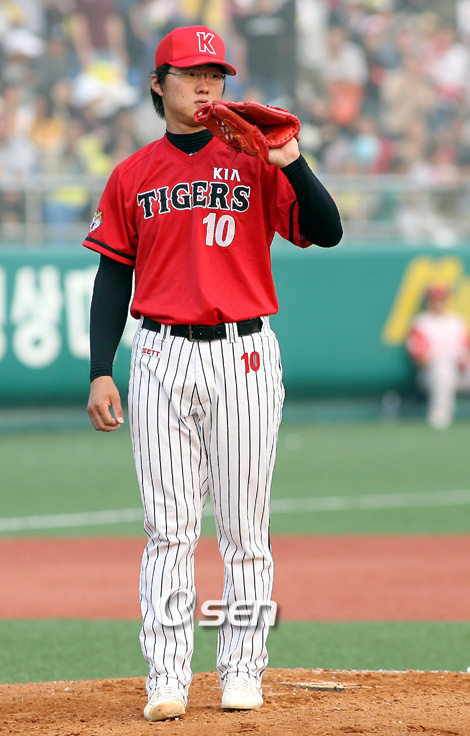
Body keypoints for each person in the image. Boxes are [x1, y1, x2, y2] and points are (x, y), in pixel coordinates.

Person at [84, 24, 342, 722]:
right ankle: (167, 675)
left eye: (216, 75)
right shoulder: (133, 173)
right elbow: (112, 276)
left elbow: (327, 230)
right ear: (157, 83)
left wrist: (291, 161)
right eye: (192, 73)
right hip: (160, 353)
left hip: (244, 352)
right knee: (168, 529)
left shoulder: (256, 160)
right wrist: (101, 369)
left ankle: (242, 668)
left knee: (244, 529)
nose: (206, 85)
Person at [406, 283, 470, 429]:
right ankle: (440, 416)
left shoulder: (457, 321)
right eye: (435, 299)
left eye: (442, 299)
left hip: (459, 371)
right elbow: (418, 358)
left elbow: (467, 349)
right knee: (443, 371)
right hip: (430, 375)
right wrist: (443, 360)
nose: (439, 303)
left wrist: (462, 359)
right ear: (429, 301)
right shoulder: (421, 323)